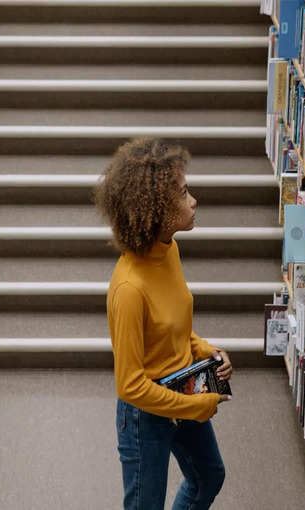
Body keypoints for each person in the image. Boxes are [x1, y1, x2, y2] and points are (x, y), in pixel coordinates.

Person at [94, 137, 233, 510]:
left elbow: (174, 328)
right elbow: (130, 385)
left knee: (208, 477)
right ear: (156, 210)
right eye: (184, 194)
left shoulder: (169, 249)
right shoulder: (128, 288)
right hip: (145, 416)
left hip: (182, 384)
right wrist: (193, 408)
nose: (194, 201)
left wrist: (207, 351)